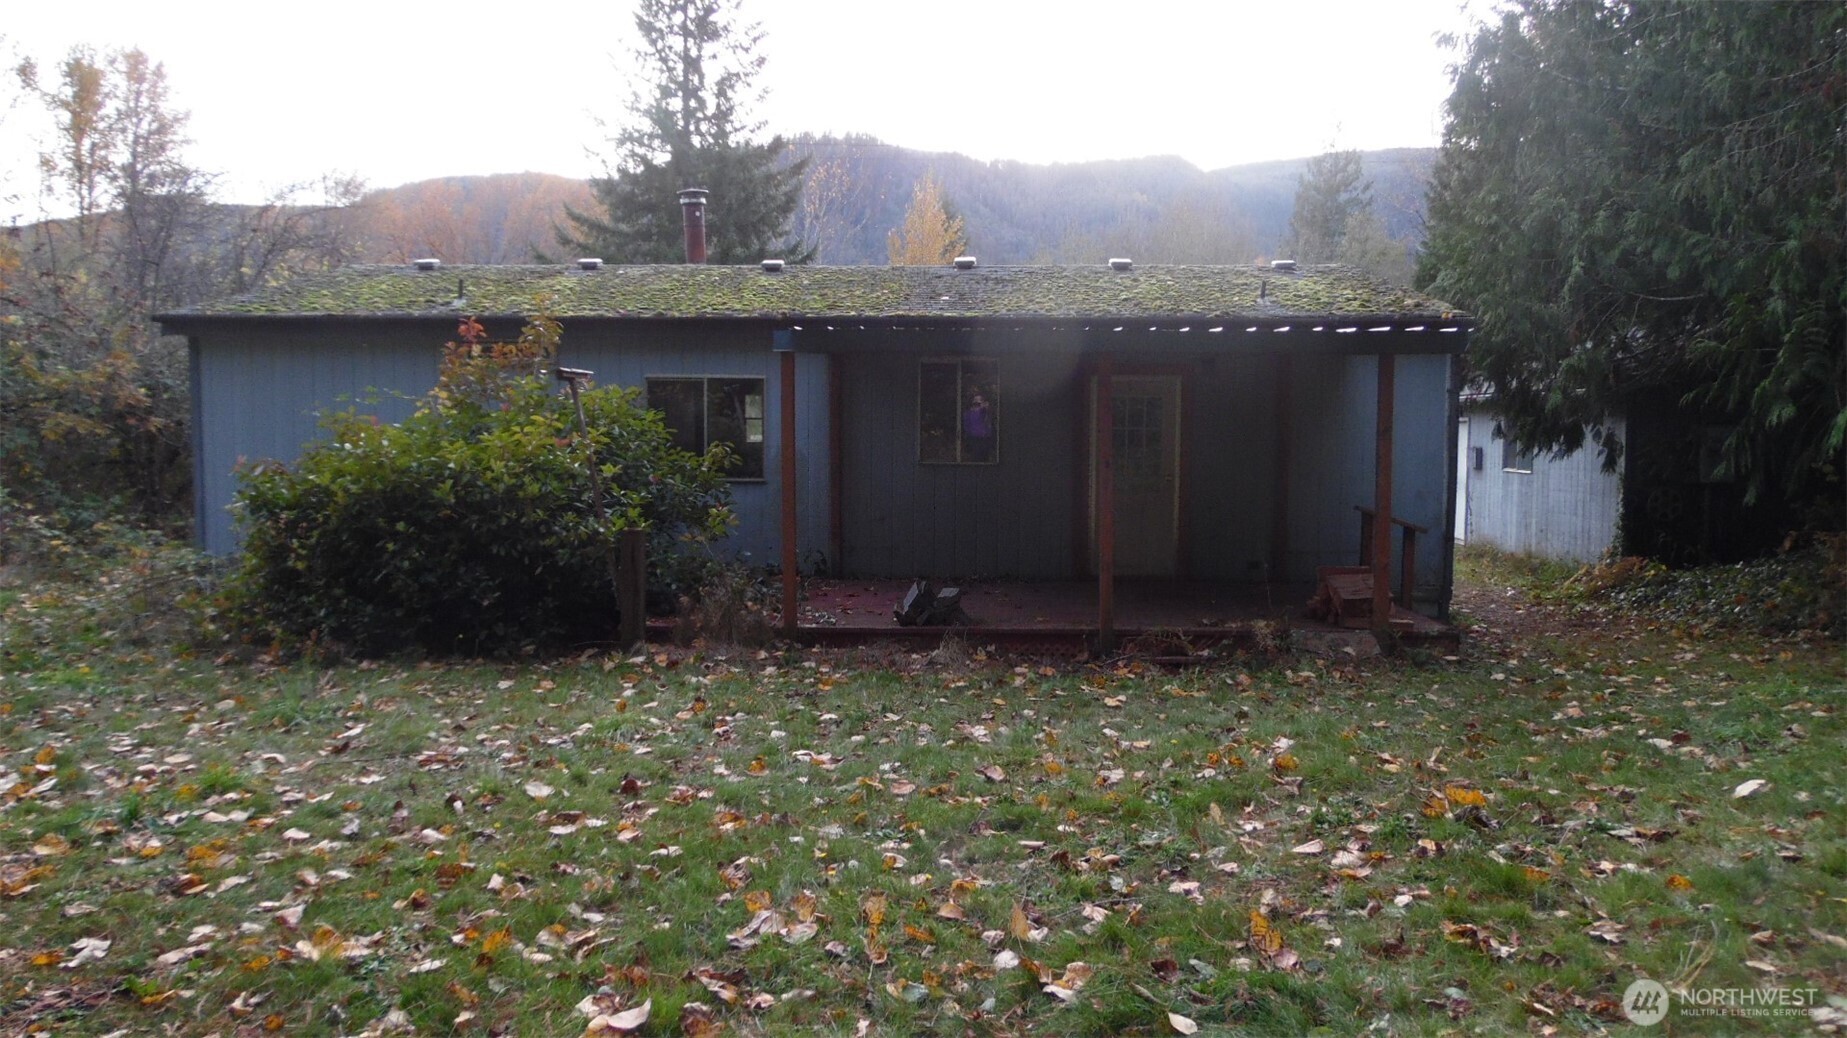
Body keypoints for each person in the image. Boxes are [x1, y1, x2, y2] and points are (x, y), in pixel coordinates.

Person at [963, 389, 995, 462]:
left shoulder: (986, 412)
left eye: (979, 403)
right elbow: (967, 426)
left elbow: (990, 421)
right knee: (976, 458)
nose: (977, 405)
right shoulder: (968, 413)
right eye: (975, 403)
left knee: (985, 458)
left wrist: (986, 408)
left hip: (985, 439)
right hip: (974, 439)